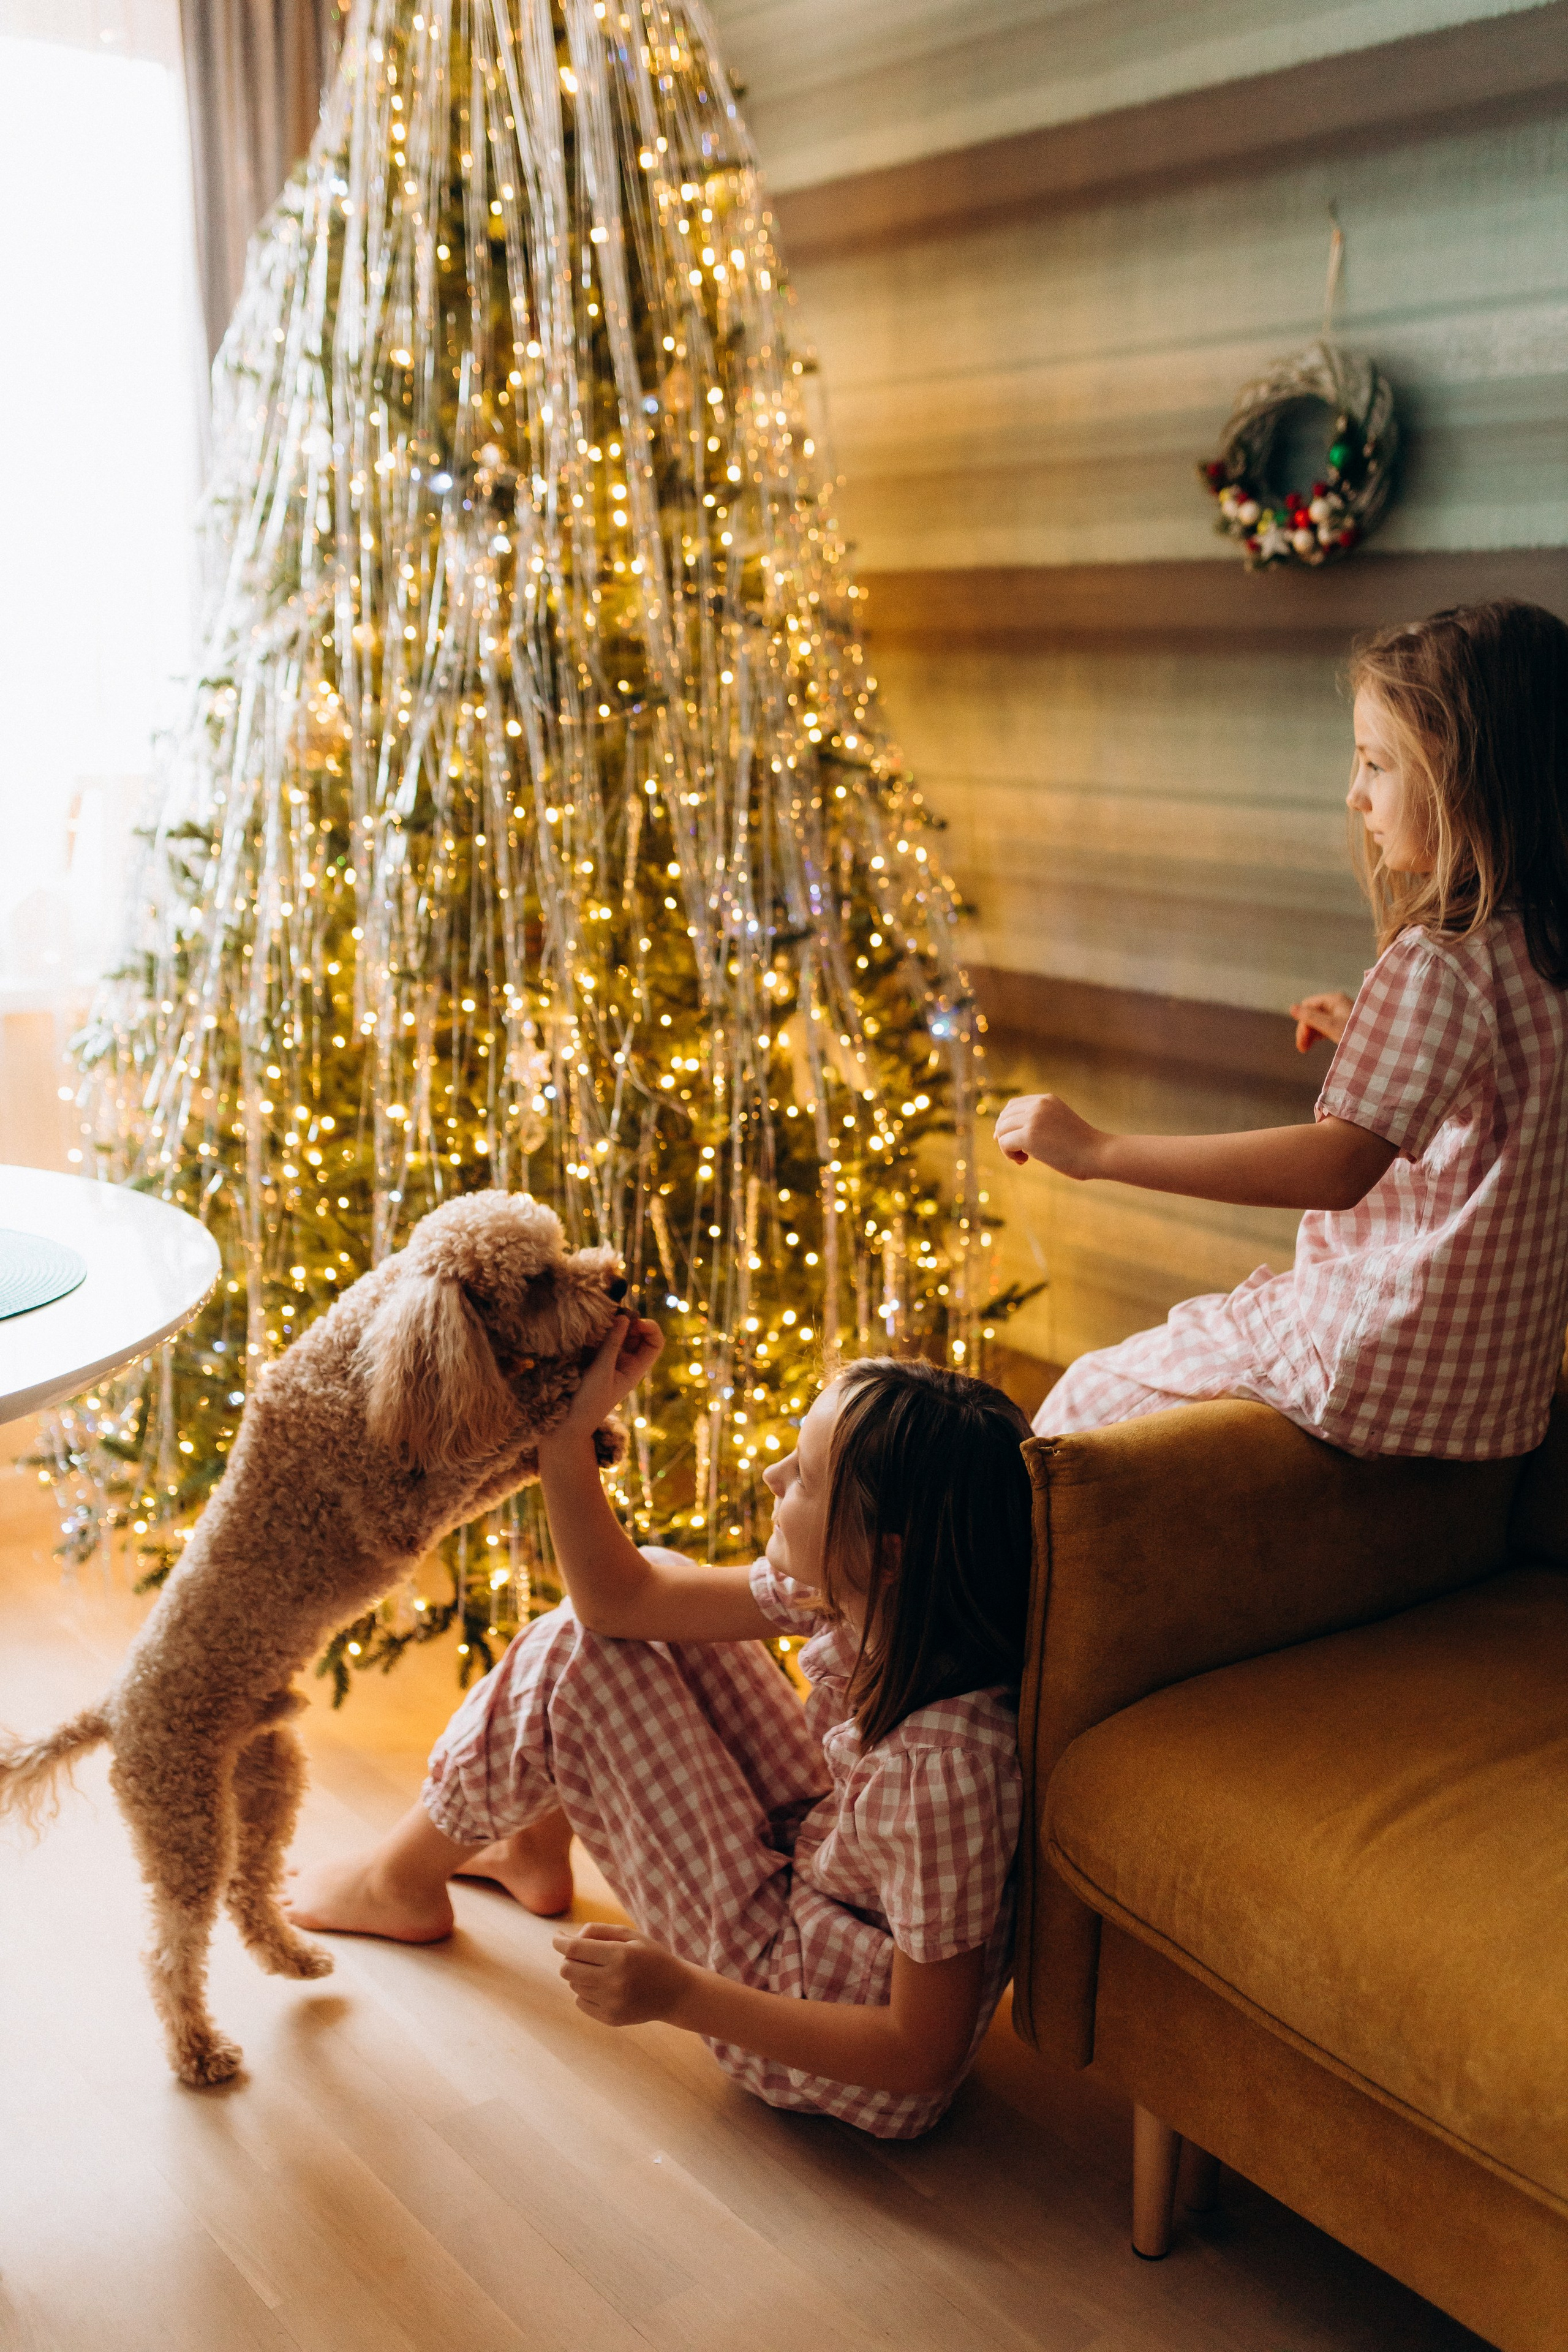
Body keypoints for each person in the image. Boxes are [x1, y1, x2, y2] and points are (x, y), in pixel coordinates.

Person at [285, 1336, 1034, 2139]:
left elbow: (919, 2056)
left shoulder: (946, 1771)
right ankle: (530, 1848)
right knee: (655, 1576)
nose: (773, 1477)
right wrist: (569, 1436)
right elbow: (625, 1598)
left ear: (887, 1555)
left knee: (574, 1659)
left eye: (805, 1478)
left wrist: (680, 1994)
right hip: (831, 1880)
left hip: (831, 2041)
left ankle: (399, 1882)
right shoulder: (877, 1598)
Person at [997, 598, 1568, 1461]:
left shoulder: (1443, 961)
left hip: (1376, 1364)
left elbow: (1339, 1167)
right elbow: (1516, 1094)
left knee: (1082, 1395)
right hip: (1497, 1393)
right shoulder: (1539, 949)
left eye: (1378, 764)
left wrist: (1098, 1150)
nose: (1354, 794)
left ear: (1471, 778)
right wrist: (1377, 1043)